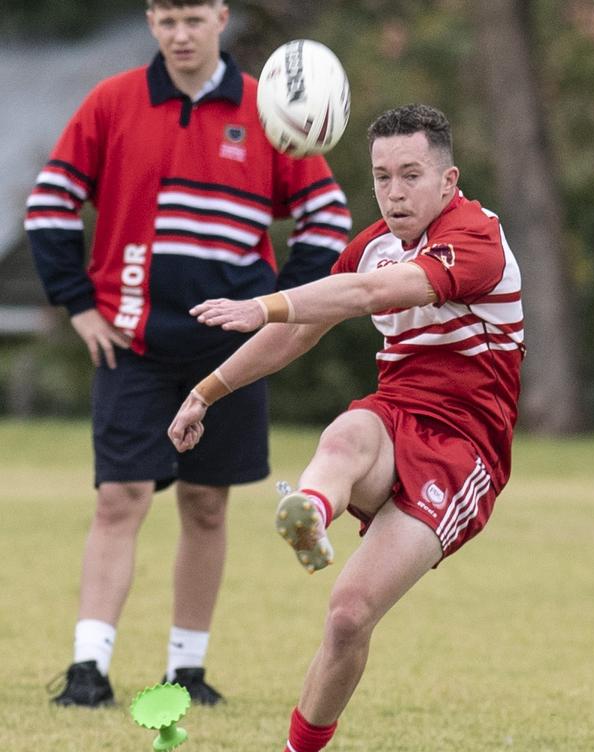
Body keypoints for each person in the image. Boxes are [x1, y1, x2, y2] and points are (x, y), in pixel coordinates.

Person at [168, 103, 524, 752]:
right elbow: (306, 327)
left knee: (348, 616)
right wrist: (205, 392)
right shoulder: (375, 243)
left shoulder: (476, 240)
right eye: (382, 177)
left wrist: (265, 303)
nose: (394, 193)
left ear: (448, 179)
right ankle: (312, 513)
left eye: (411, 176)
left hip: (463, 455)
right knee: (347, 433)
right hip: (394, 416)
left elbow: (365, 297)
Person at [25, 0, 351, 707]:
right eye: (167, 19)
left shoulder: (270, 107)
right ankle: (88, 668)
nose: (180, 34)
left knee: (206, 505)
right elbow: (49, 205)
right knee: (121, 497)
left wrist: (280, 317)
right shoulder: (113, 102)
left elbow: (328, 214)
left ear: (220, 18)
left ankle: (187, 669)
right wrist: (80, 306)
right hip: (133, 344)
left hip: (229, 356)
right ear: (150, 21)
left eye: (193, 18)